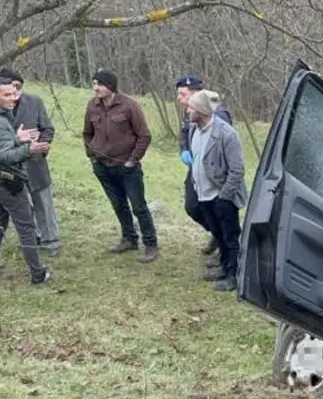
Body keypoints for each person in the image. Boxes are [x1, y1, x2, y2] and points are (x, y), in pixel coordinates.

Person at [0, 77, 52, 285]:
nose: (13, 98)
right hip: (7, 182)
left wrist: (16, 139)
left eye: (14, 93)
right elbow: (4, 156)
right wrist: (29, 149)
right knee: (26, 228)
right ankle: (37, 273)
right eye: (6, 94)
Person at [83, 69, 158, 262]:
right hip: (102, 166)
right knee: (118, 205)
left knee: (138, 206)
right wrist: (92, 156)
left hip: (127, 167)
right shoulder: (92, 106)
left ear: (111, 86)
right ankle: (129, 238)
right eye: (94, 83)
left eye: (99, 84)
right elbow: (87, 134)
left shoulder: (129, 106)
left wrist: (132, 161)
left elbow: (144, 136)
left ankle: (150, 244)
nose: (95, 88)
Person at [186, 89, 247, 292]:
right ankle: (224, 266)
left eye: (191, 108)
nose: (187, 111)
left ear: (201, 111)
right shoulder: (194, 130)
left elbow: (237, 170)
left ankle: (234, 276)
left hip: (221, 196)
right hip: (203, 195)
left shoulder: (226, 134)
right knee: (218, 234)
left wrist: (225, 197)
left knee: (230, 237)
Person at [0, 67, 60, 256]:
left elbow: (47, 129)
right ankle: (33, 238)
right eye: (10, 86)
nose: (14, 91)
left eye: (17, 86)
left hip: (35, 163)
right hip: (10, 165)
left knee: (43, 203)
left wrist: (41, 146)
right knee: (22, 206)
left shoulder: (34, 102)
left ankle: (51, 241)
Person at [176, 75, 233, 267]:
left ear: (196, 94)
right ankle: (217, 236)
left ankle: (226, 251)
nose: (179, 98)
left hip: (214, 176)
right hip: (196, 170)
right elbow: (184, 133)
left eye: (182, 94)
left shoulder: (218, 115)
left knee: (219, 216)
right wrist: (184, 150)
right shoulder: (190, 113)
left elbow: (224, 148)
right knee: (192, 207)